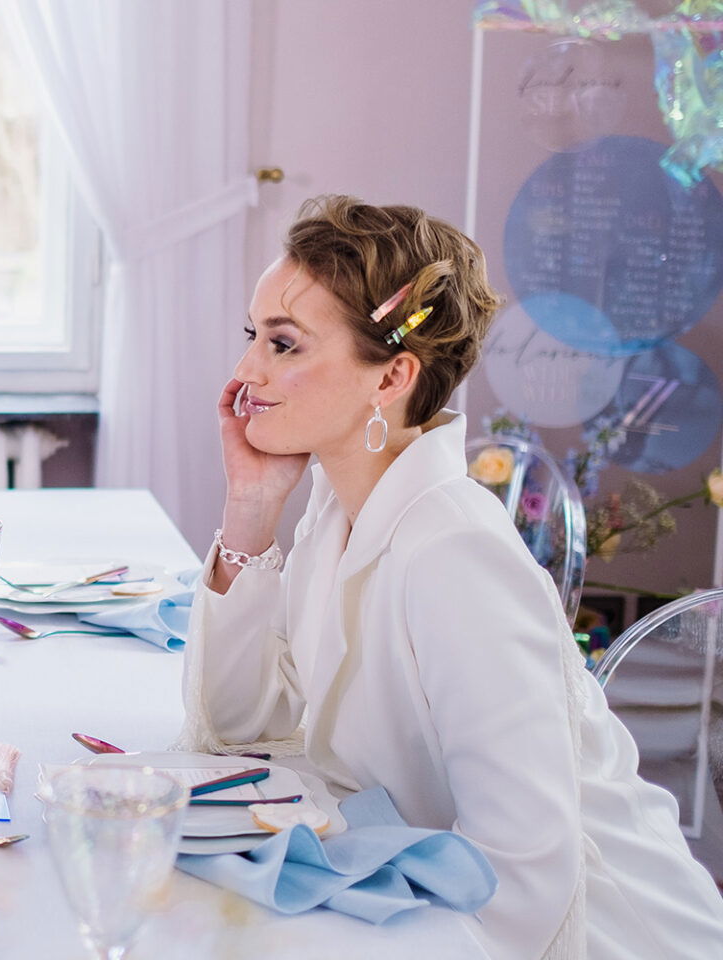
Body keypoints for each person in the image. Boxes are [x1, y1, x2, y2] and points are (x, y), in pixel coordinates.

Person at [180, 195, 723, 959]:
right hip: (432, 906)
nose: (245, 371)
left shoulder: (454, 554)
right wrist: (251, 506)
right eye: (254, 336)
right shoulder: (337, 510)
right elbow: (236, 728)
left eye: (284, 344)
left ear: (392, 375)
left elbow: (528, 875)